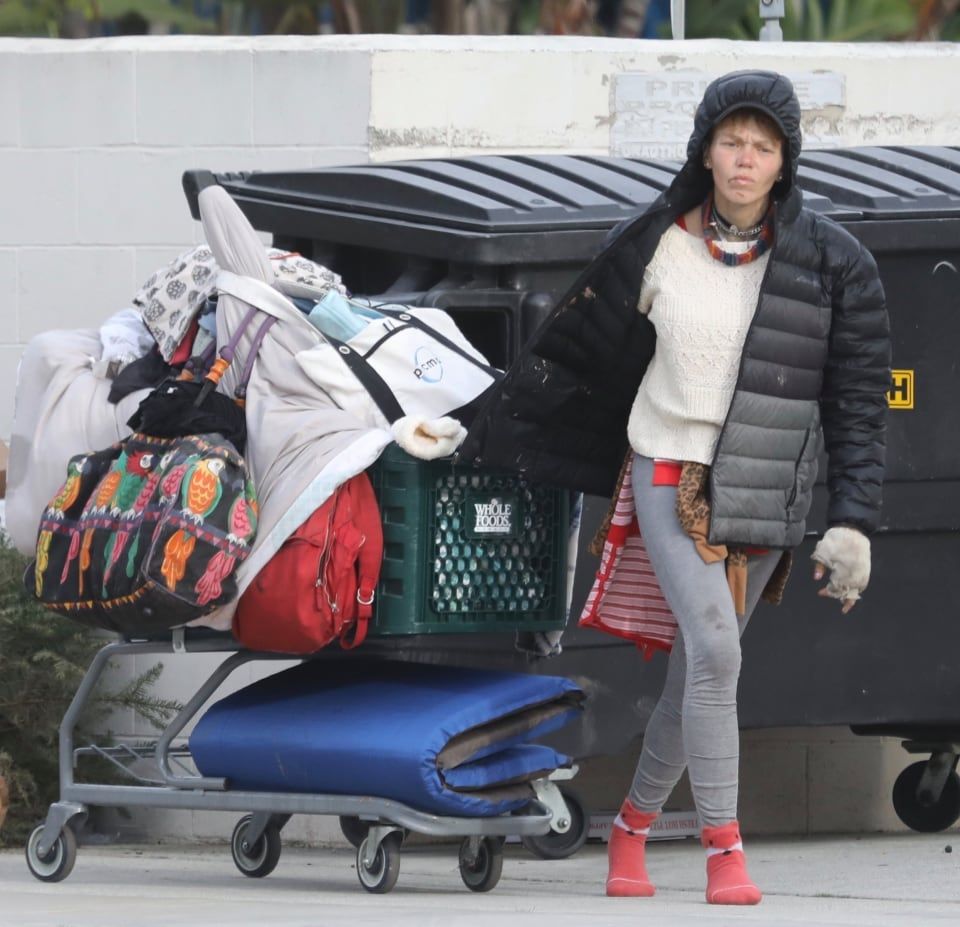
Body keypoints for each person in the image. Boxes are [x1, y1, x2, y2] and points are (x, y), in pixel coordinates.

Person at [456, 70, 891, 904]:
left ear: (784, 161)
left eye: (763, 147)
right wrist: (502, 426)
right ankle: (725, 849)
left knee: (702, 671)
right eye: (732, 141)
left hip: (767, 488)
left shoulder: (837, 265)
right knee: (719, 651)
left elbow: (858, 404)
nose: (745, 159)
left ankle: (630, 830)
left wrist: (854, 522)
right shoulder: (652, 243)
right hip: (664, 468)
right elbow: (578, 355)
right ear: (705, 148)